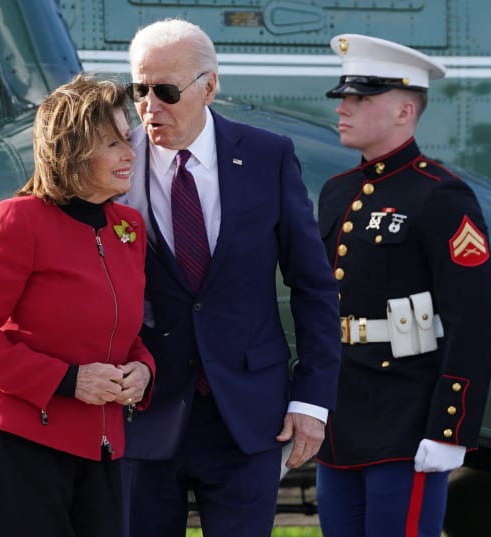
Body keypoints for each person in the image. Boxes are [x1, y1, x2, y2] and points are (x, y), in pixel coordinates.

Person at [119, 18, 342, 537]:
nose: (151, 107)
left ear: (209, 86)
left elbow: (313, 285)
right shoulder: (113, 162)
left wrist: (311, 401)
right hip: (144, 413)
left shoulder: (267, 156)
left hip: (246, 416)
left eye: (167, 91)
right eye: (139, 90)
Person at [0, 73, 156, 537]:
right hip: (22, 443)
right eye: (113, 143)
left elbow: (123, 328)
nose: (130, 154)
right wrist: (68, 381)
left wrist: (143, 370)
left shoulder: (129, 227)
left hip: (102, 445)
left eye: (128, 139)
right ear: (72, 150)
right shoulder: (18, 220)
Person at [314, 34, 491, 537]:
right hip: (342, 415)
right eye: (343, 97)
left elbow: (473, 319)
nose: (344, 108)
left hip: (407, 419)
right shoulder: (337, 193)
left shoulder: (440, 196)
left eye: (361, 97)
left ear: (404, 111)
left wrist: (449, 429)